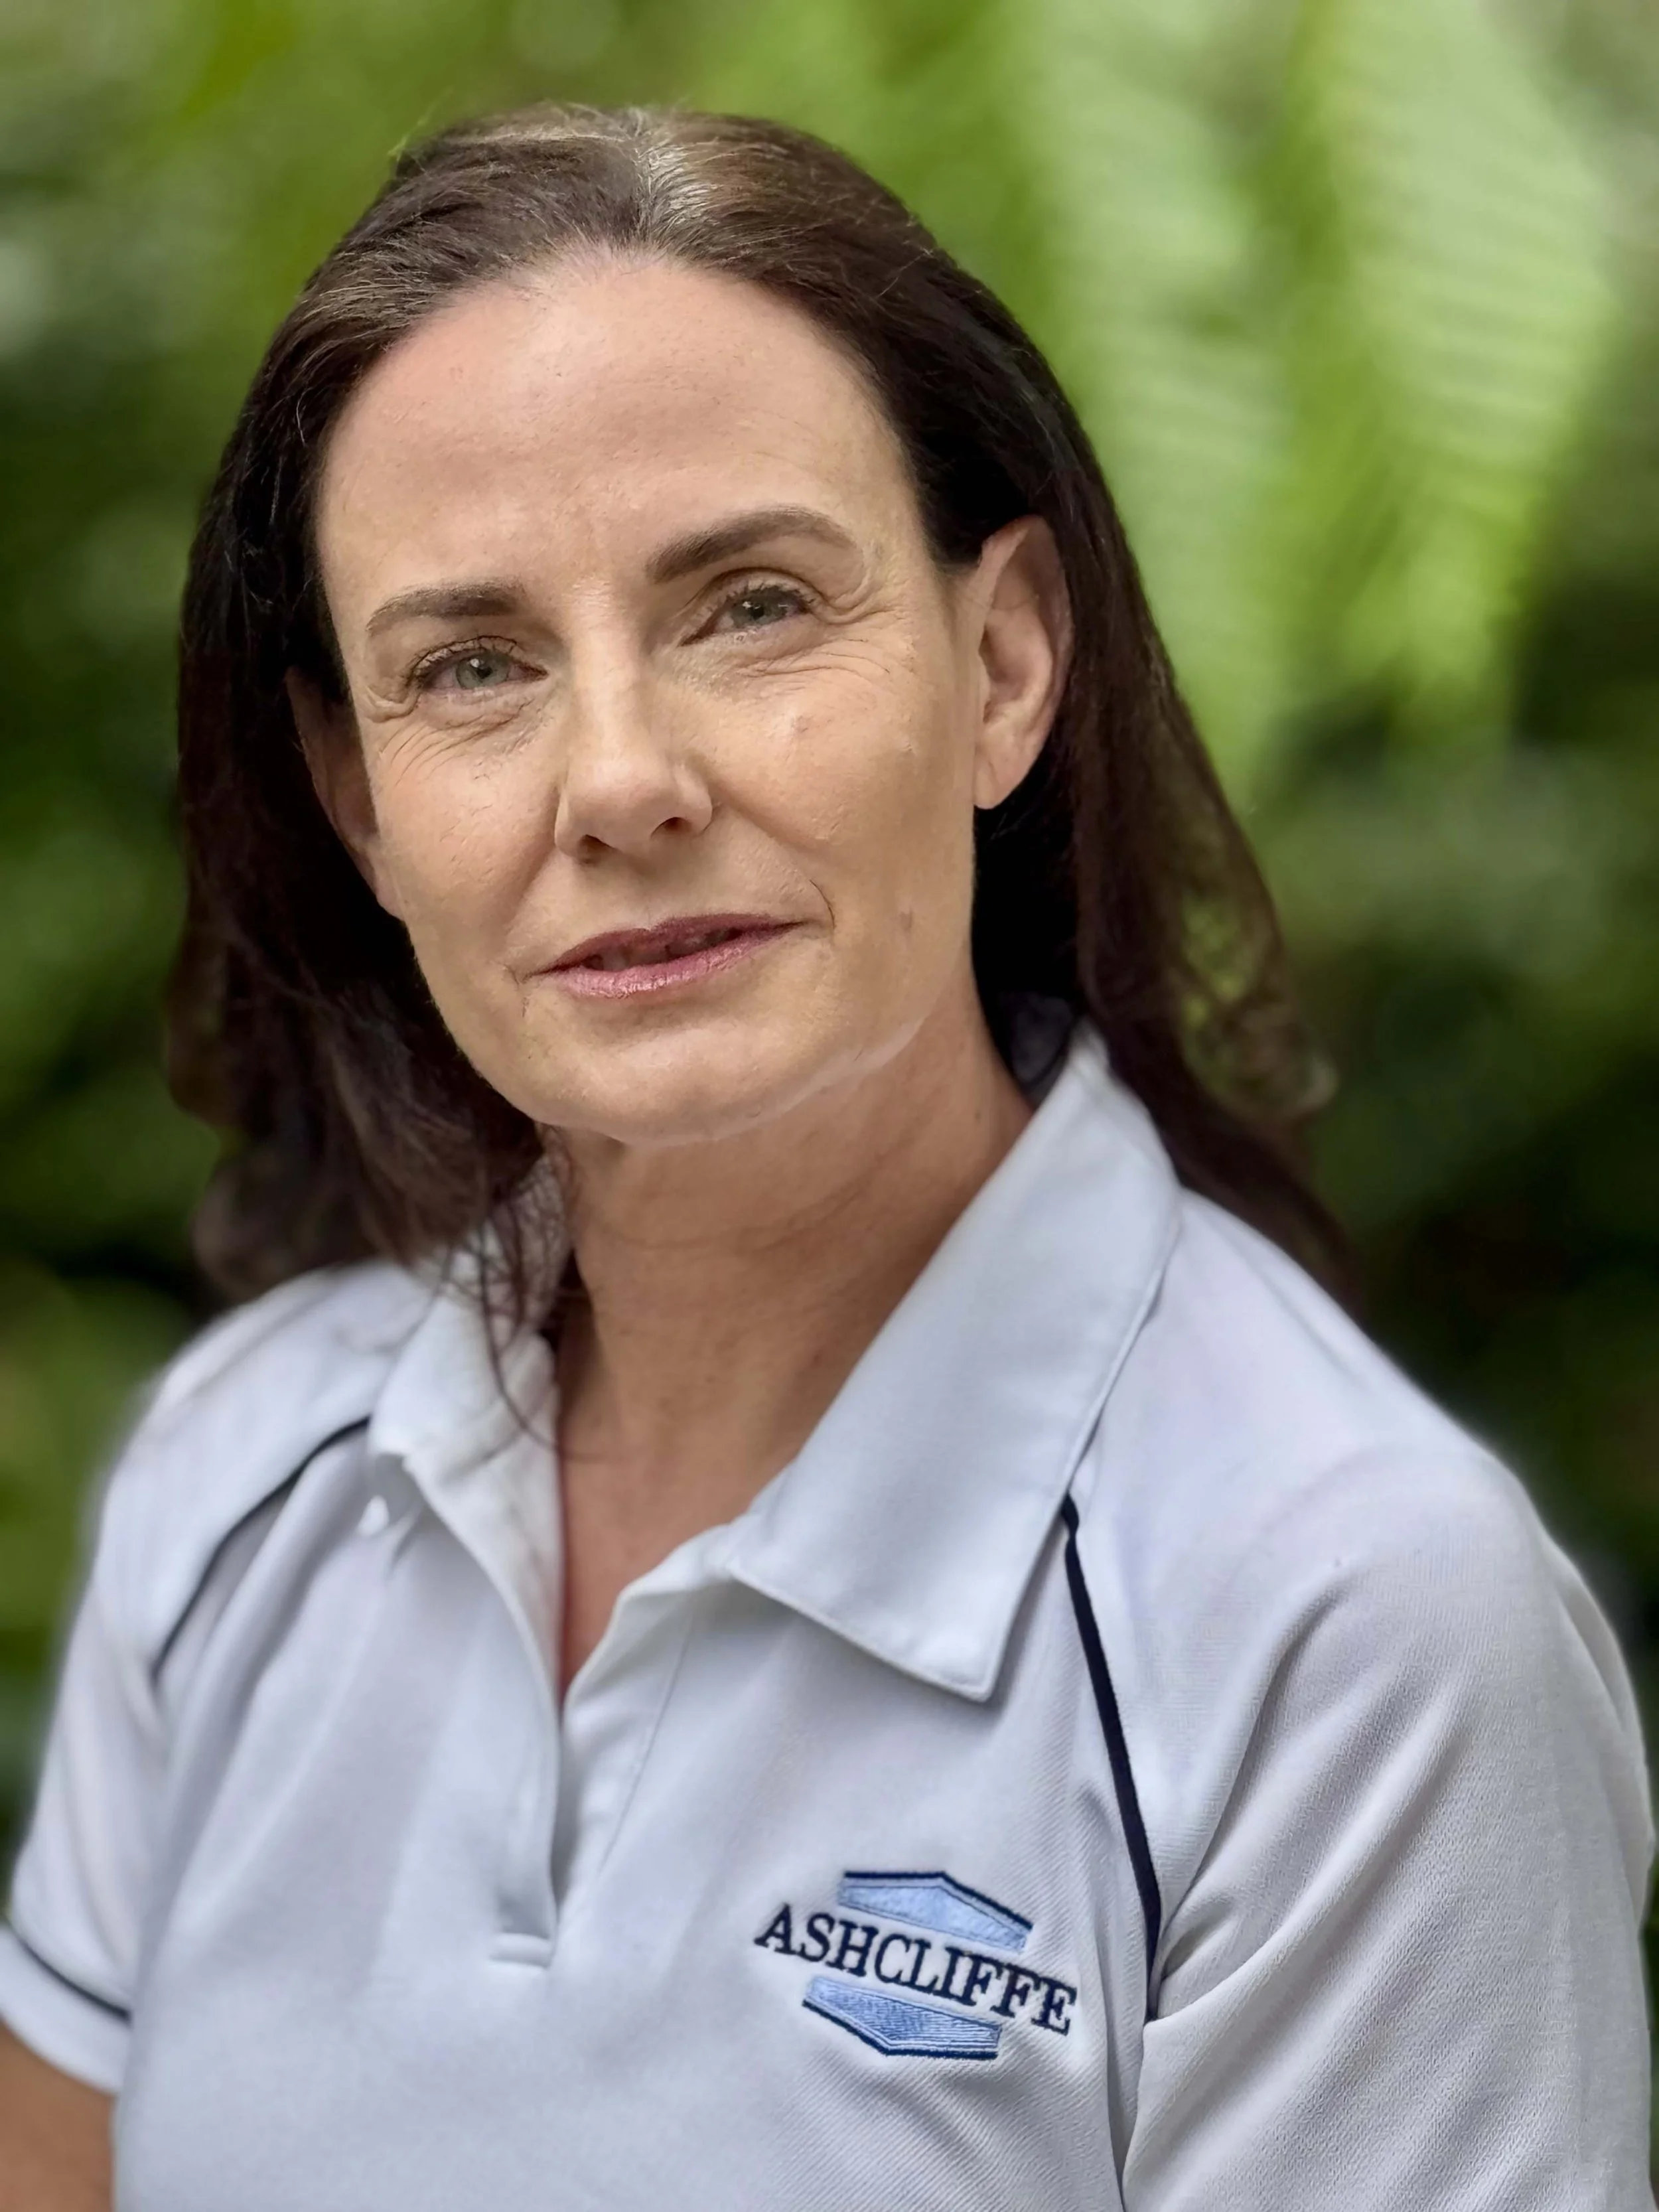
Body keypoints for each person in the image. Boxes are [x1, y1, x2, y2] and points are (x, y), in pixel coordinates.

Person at [0, 102, 1649, 2212]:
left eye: (751, 605)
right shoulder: (235, 1473)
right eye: (473, 666)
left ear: (1002, 662)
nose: (621, 779)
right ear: (357, 800)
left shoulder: (1346, 1622)